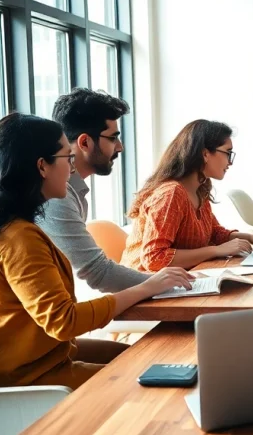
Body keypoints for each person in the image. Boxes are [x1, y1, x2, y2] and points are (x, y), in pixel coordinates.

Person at [0, 113, 193, 389]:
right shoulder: (19, 238)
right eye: (67, 158)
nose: (73, 169)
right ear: (42, 166)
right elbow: (64, 321)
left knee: (151, 360)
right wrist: (147, 288)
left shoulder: (2, 226)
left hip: (36, 363)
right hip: (28, 381)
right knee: (152, 376)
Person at [36, 88, 164, 292]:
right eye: (113, 138)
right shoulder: (56, 197)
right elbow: (99, 273)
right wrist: (164, 282)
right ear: (85, 142)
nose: (120, 147)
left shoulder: (71, 191)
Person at [122, 119, 253, 272]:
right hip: (144, 290)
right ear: (205, 154)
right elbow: (154, 258)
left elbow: (214, 233)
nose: (230, 162)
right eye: (228, 153)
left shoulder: (200, 188)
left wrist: (252, 238)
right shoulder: (171, 194)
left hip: (175, 281)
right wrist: (216, 250)